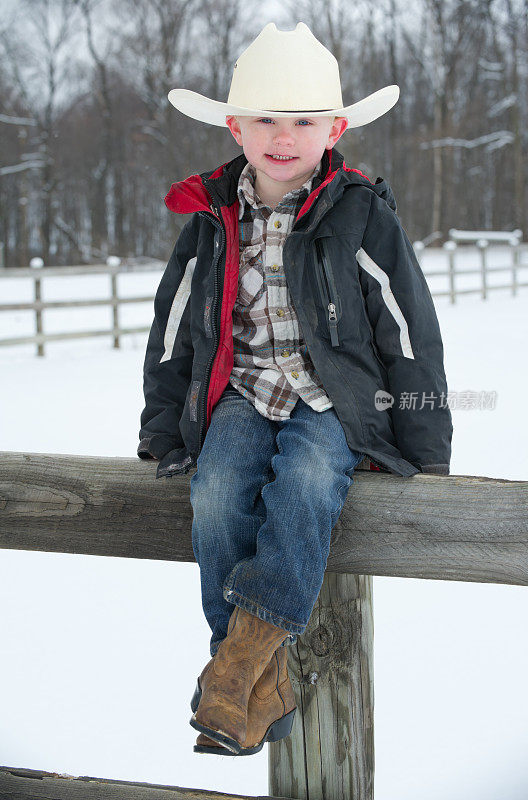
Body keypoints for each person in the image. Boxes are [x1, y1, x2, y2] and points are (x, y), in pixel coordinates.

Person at [137, 22, 453, 756]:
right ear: (235, 127)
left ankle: (236, 678)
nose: (284, 137)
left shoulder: (360, 211)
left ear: (335, 128)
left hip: (334, 401)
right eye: (266, 121)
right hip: (243, 392)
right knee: (217, 493)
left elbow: (408, 328)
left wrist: (425, 439)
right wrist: (161, 427)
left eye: (304, 120)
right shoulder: (212, 218)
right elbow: (174, 324)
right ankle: (255, 676)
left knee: (306, 483)